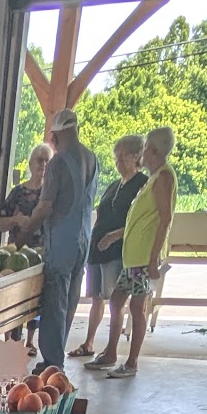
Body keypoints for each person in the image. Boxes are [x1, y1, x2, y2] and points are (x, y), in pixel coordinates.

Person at [12, 107, 98, 372]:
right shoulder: (92, 159)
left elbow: (45, 206)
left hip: (61, 241)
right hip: (83, 239)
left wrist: (22, 238)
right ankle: (57, 356)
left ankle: (52, 361)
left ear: (55, 137)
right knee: (70, 299)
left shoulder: (58, 163)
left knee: (55, 301)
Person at [95, 125, 176, 379]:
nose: (142, 154)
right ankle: (110, 353)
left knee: (138, 306)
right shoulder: (154, 177)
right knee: (117, 299)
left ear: (154, 151)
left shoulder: (163, 177)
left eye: (146, 149)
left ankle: (132, 362)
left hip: (144, 258)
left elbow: (164, 219)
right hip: (133, 256)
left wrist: (153, 259)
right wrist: (115, 236)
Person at [72, 135, 145, 360]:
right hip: (98, 249)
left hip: (117, 250)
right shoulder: (114, 185)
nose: (118, 162)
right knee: (96, 297)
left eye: (123, 157)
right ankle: (89, 342)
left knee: (116, 299)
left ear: (136, 156)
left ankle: (111, 348)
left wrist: (113, 237)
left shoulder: (142, 185)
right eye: (116, 157)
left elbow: (138, 221)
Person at [0, 143, 51, 244]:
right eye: (40, 160)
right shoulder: (17, 192)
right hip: (17, 251)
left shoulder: (52, 195)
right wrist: (15, 220)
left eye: (47, 161)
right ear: (30, 164)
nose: (44, 164)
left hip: (43, 251)